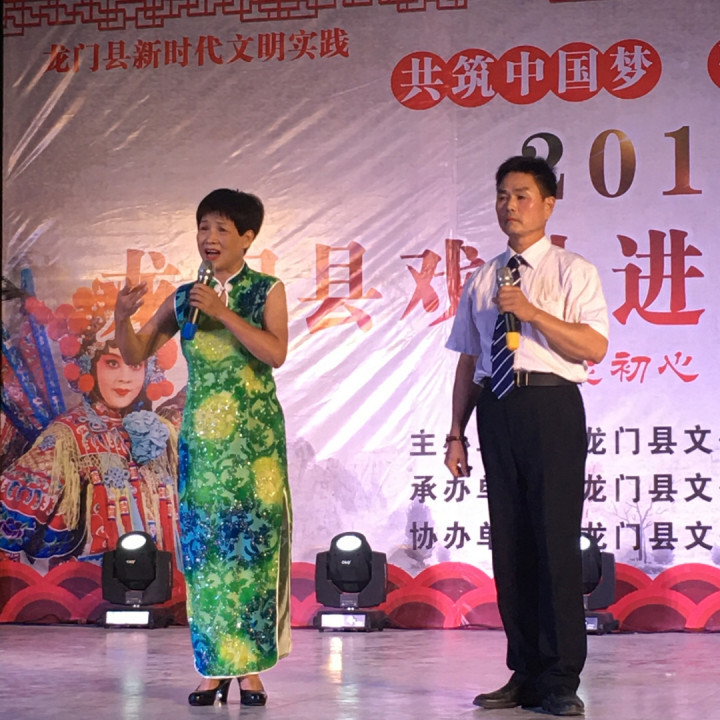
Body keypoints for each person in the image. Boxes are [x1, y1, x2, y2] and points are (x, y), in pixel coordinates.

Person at [444, 156, 609, 717]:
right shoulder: (484, 277)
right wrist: (456, 433)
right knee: (510, 544)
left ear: (548, 204)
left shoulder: (572, 270)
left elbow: (593, 347)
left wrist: (532, 312)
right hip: (497, 407)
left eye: (521, 195)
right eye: (502, 196)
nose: (509, 206)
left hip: (550, 405)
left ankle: (560, 677)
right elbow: (470, 360)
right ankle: (525, 670)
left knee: (554, 542)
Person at [114, 188, 291, 707]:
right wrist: (121, 317)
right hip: (204, 448)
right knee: (207, 553)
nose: (209, 238)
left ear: (247, 238)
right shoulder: (185, 296)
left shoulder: (266, 290)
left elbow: (275, 352)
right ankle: (212, 669)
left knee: (252, 551)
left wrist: (224, 312)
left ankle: (251, 670)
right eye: (203, 228)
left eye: (221, 229)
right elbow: (135, 351)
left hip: (255, 447)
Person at [0, 336, 180, 565]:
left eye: (135, 365)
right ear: (89, 365)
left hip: (165, 577)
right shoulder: (67, 438)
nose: (125, 377)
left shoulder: (163, 432)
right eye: (112, 363)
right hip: (93, 583)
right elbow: (9, 525)